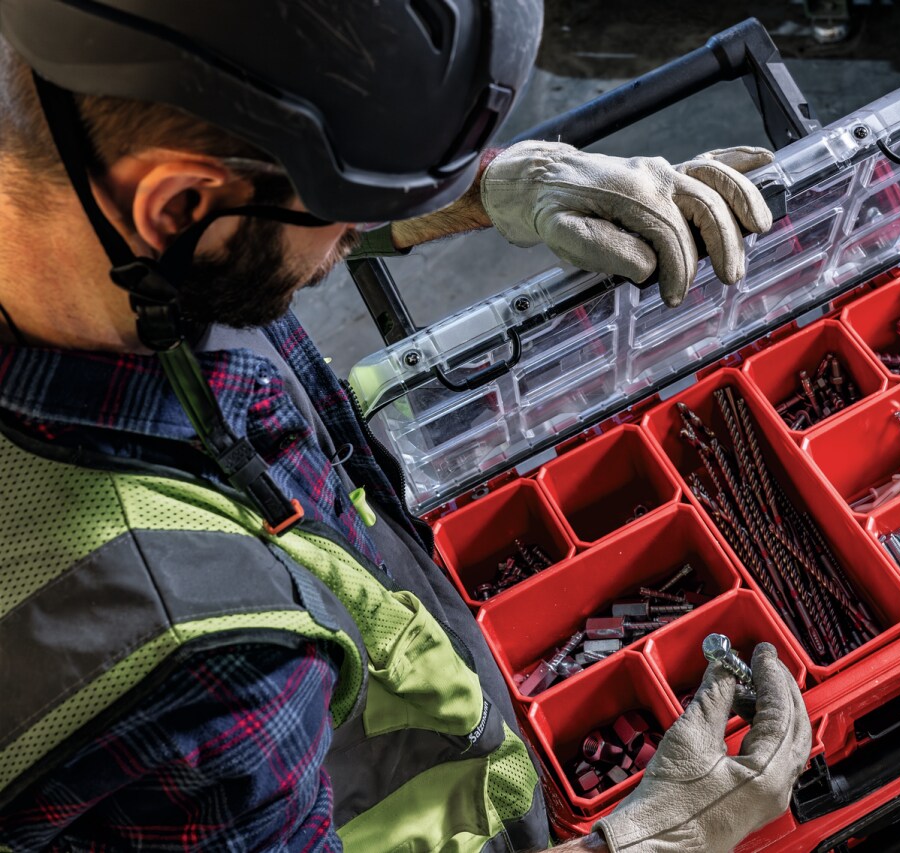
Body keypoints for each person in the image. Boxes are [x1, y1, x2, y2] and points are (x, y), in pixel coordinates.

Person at [0, 2, 811, 851]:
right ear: (178, 207)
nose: (353, 237)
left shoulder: (84, 217)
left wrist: (488, 187)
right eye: (348, 208)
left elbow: (249, 226)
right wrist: (651, 840)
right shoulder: (194, 668)